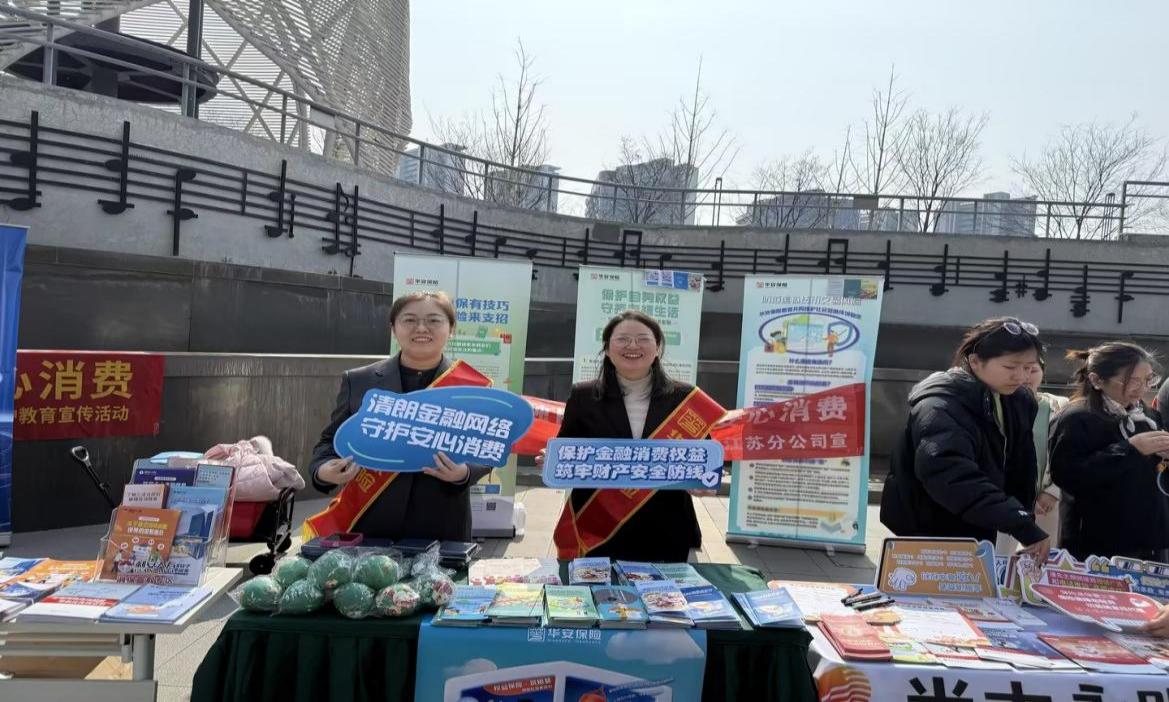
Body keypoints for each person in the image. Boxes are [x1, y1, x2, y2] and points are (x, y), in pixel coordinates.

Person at [302, 291, 492, 542]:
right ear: (393, 328)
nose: (421, 328)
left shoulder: (471, 389)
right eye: (409, 320)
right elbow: (329, 442)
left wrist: (464, 472)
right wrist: (323, 470)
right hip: (370, 525)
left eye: (434, 320)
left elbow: (487, 448)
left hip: (443, 525)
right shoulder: (359, 380)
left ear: (451, 329)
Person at [545, 310, 724, 562]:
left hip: (666, 525)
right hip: (599, 526)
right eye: (622, 339)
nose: (632, 346)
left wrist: (704, 482)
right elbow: (566, 448)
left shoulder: (685, 398)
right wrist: (551, 461)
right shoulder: (583, 395)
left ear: (658, 348)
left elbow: (702, 457)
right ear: (607, 349)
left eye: (643, 339)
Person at [880, 317, 1049, 559]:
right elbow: (951, 475)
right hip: (931, 531)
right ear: (975, 361)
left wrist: (1021, 516)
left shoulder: (1017, 400)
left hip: (981, 524)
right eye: (1011, 367)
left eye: (1029, 368)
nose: (1021, 377)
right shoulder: (939, 405)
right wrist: (1018, 522)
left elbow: (1020, 464)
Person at [1049, 343, 1169, 562]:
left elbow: (1157, 474)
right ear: (1096, 380)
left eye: (1148, 379)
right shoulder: (1077, 417)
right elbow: (1068, 475)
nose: (1142, 388)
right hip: (1097, 541)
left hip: (1150, 539)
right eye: (1132, 381)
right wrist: (1130, 449)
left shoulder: (1149, 416)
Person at [997, 358, 1070, 554]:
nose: (1026, 376)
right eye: (1019, 369)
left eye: (1032, 370)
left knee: (1046, 556)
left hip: (1048, 499)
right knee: (1001, 555)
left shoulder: (1060, 406)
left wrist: (1053, 492)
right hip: (1007, 496)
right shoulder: (996, 404)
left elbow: (1065, 453)